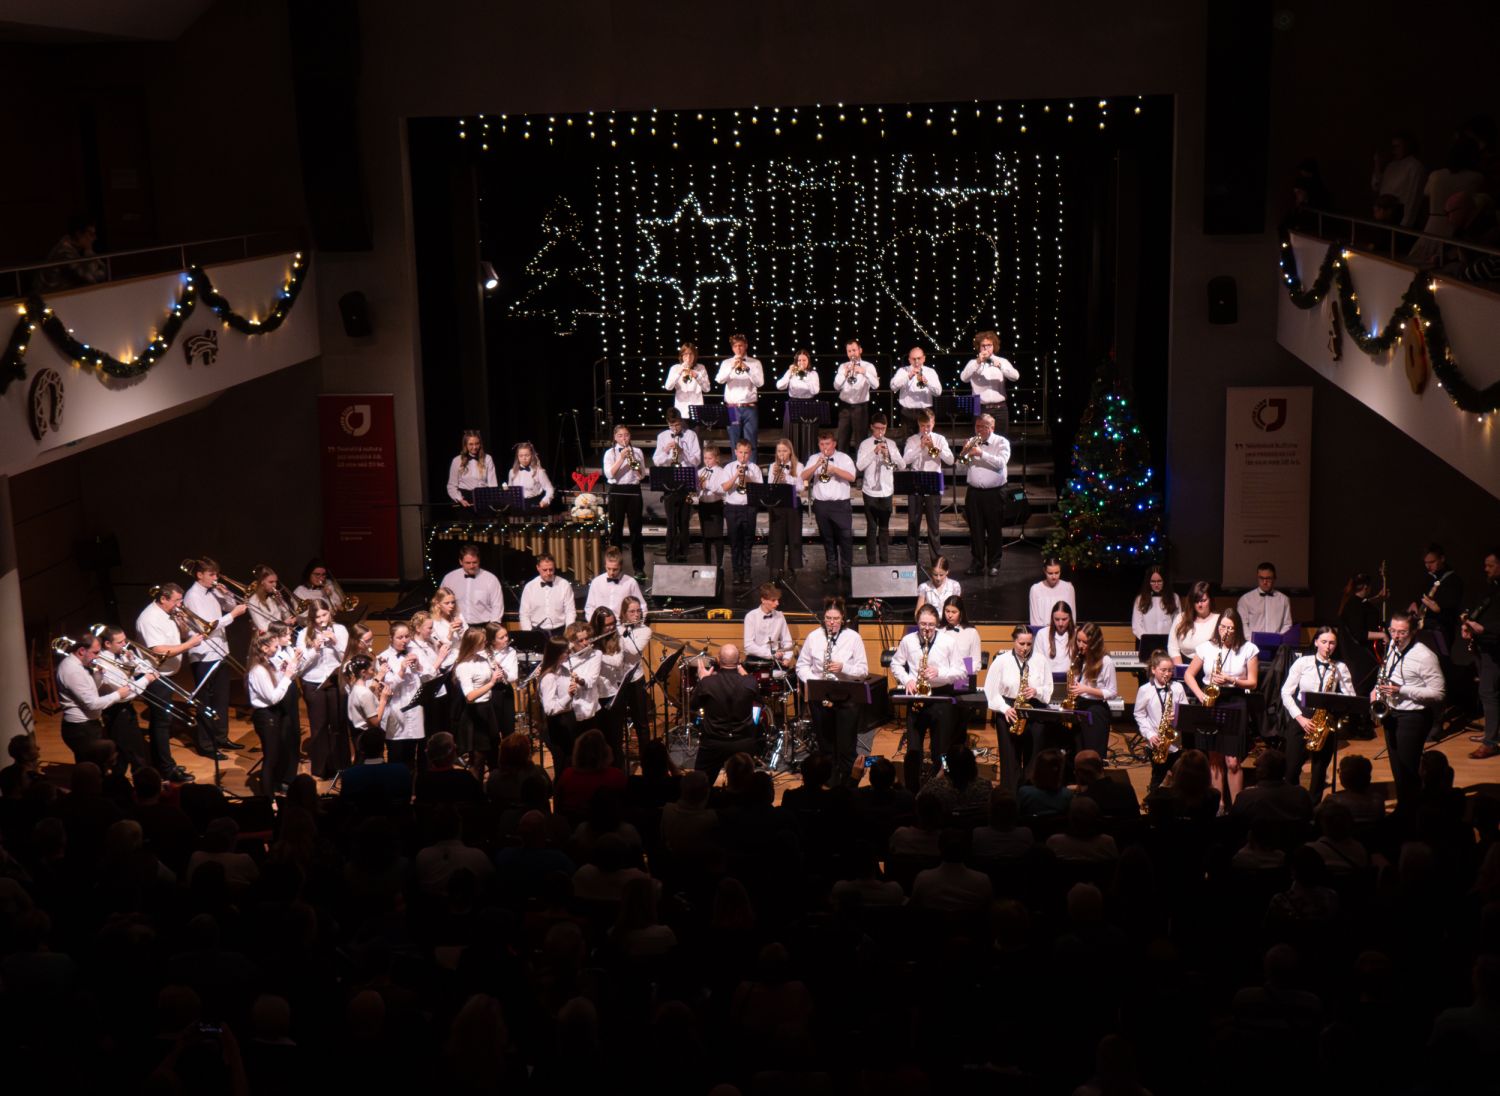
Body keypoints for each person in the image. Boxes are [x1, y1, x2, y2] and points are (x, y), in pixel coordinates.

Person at [1186, 606, 1260, 803]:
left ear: (1237, 629)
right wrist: (1201, 695)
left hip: (1235, 701)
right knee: (1215, 759)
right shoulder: (1206, 647)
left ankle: (1236, 806)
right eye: (1223, 627)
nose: (1225, 631)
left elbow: (1253, 682)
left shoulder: (1248, 649)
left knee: (1233, 761)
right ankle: (1218, 805)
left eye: (1230, 628)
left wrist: (1231, 679)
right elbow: (1188, 675)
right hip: (1211, 701)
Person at [1371, 612, 1445, 808]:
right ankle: (1404, 808)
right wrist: (1375, 691)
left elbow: (1439, 693)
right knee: (1397, 768)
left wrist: (1401, 690)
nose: (1396, 636)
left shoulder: (1425, 656)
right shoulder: (1392, 647)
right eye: (1393, 630)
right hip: (1391, 713)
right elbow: (1385, 673)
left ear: (1413, 632)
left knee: (1408, 771)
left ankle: (1412, 813)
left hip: (1413, 716)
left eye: (1402, 632)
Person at [890, 604, 966, 792]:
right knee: (913, 750)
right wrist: (907, 680)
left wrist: (939, 672)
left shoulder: (948, 642)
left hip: (941, 696)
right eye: (923, 624)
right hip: (917, 696)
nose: (927, 629)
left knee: (941, 749)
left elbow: (962, 671)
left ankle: (942, 787)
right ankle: (911, 790)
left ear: (937, 624)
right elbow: (896, 664)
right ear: (917, 622)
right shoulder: (908, 641)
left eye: (931, 625)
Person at [795, 599, 868, 787]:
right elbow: (802, 666)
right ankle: (828, 783)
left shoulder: (853, 638)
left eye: (836, 619)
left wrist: (844, 668)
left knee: (846, 747)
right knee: (825, 745)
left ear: (843, 618)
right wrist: (814, 681)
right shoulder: (814, 637)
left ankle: (848, 785)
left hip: (847, 698)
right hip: (821, 697)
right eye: (828, 618)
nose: (832, 623)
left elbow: (863, 670)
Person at [134, 583, 201, 783]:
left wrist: (182, 625)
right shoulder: (149, 618)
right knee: (162, 722)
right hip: (154, 676)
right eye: (177, 601)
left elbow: (178, 636)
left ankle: (160, 764)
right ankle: (166, 769)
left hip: (166, 674)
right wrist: (190, 644)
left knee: (161, 722)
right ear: (163, 599)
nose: (180, 604)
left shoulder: (168, 613)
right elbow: (159, 650)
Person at [182, 557, 249, 759]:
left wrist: (226, 594)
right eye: (211, 574)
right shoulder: (193, 596)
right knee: (205, 701)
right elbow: (206, 627)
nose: (215, 578)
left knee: (221, 698)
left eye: (216, 574)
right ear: (199, 575)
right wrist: (233, 615)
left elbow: (230, 606)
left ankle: (221, 737)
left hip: (220, 651)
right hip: (203, 654)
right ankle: (206, 745)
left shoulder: (212, 591)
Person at [1281, 625, 1354, 801]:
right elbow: (1286, 693)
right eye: (1324, 642)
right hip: (1302, 715)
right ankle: (1293, 803)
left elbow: (1351, 696)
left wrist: (1336, 700)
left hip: (1325, 717)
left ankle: (1314, 806)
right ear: (1316, 642)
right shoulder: (1302, 663)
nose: (1328, 647)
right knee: (1291, 769)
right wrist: (1300, 718)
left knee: (1320, 771)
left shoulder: (1340, 667)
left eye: (1332, 643)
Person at [984, 625, 1053, 790]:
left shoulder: (1040, 660)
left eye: (1029, 644)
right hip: (1009, 710)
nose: (1025, 648)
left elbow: (1048, 688)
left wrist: (1036, 691)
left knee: (1033, 758)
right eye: (1021, 643)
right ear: (1014, 641)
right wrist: (1004, 708)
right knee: (1010, 758)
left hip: (1033, 709)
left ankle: (1031, 793)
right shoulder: (1001, 661)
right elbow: (990, 690)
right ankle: (1011, 794)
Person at [55, 633, 131, 765]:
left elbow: (90, 692)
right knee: (92, 766)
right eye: (95, 653)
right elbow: (92, 704)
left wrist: (98, 675)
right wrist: (118, 694)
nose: (98, 657)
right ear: (81, 651)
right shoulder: (72, 671)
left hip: (86, 725)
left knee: (93, 765)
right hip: (81, 729)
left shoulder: (79, 665)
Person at [294, 600, 350, 780]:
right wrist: (314, 650)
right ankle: (321, 769)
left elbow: (347, 658)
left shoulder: (340, 630)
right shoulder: (304, 634)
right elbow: (299, 668)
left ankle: (342, 767)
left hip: (335, 681)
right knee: (318, 726)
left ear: (330, 613)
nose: (321, 620)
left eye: (324, 615)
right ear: (312, 618)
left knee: (338, 724)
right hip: (313, 683)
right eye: (317, 617)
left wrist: (336, 642)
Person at [691, 644, 761, 786]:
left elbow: (693, 705)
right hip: (742, 741)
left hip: (713, 742)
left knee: (700, 784)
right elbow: (760, 700)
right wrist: (742, 670)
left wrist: (702, 680)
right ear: (739, 660)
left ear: (717, 659)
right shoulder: (750, 682)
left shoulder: (707, 683)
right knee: (744, 786)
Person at [90, 625, 155, 776]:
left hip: (126, 709)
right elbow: (125, 691)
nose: (125, 645)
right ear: (108, 644)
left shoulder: (121, 654)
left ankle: (118, 783)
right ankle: (142, 783)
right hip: (115, 712)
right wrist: (146, 679)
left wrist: (133, 661)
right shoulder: (103, 662)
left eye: (124, 640)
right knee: (136, 754)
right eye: (120, 642)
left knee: (122, 756)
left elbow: (142, 670)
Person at [539, 623, 601, 776]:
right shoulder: (549, 677)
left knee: (574, 765)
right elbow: (550, 709)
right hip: (557, 725)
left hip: (568, 721)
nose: (569, 654)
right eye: (566, 652)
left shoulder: (563, 670)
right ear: (557, 654)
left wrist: (575, 683)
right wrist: (569, 695)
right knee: (563, 769)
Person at [453, 624, 514, 780]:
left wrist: (497, 672)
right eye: (482, 642)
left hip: (488, 709)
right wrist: (492, 683)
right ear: (473, 644)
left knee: (494, 754)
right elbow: (469, 696)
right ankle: (476, 791)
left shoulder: (482, 659)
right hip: (475, 713)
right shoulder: (463, 666)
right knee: (478, 760)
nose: (485, 643)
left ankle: (494, 788)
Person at [955, 412, 1011, 576]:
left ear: (991, 427)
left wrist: (981, 453)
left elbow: (1001, 463)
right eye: (977, 426)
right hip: (974, 493)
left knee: (994, 530)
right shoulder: (972, 441)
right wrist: (964, 453)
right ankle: (977, 562)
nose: (978, 430)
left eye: (982, 427)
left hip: (994, 493)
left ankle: (994, 564)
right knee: (976, 530)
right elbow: (960, 468)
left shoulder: (1001, 442)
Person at [246, 633, 300, 794]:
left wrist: (285, 673)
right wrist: (287, 677)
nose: (278, 650)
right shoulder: (258, 670)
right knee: (271, 758)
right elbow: (272, 697)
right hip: (265, 716)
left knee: (278, 755)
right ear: (264, 648)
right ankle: (268, 798)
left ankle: (275, 788)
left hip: (273, 714)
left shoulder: (267, 665)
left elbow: (276, 685)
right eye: (275, 647)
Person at [801, 429, 857, 584]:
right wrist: (816, 466)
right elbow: (803, 477)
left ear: (834, 444)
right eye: (821, 444)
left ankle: (847, 571)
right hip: (821, 505)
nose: (824, 447)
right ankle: (832, 570)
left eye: (827, 443)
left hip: (841, 505)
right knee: (827, 539)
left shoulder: (843, 458)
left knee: (845, 539)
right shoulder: (814, 458)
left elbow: (852, 477)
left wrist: (835, 469)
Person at [376, 622, 430, 769]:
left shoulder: (416, 652)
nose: (404, 640)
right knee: (396, 756)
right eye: (400, 637)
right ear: (391, 638)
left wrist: (418, 666)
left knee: (411, 756)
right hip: (396, 711)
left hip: (415, 710)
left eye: (407, 636)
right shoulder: (383, 658)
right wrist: (401, 671)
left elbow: (430, 677)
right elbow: (387, 688)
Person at [902, 409, 953, 562]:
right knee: (913, 524)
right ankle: (912, 561)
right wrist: (920, 447)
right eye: (923, 426)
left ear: (933, 423)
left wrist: (934, 448)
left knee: (934, 525)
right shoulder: (912, 440)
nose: (925, 429)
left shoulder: (940, 439)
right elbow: (905, 461)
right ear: (919, 424)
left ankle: (936, 562)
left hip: (933, 484)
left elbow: (950, 460)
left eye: (928, 426)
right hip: (915, 484)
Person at [652, 409, 701, 562]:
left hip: (686, 482)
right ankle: (670, 554)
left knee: (684, 521)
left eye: (678, 425)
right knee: (671, 522)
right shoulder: (662, 436)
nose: (675, 428)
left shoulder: (691, 435)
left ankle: (683, 554)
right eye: (672, 426)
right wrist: (666, 451)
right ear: (668, 423)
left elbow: (697, 460)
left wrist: (682, 451)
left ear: (682, 422)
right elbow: (656, 461)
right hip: (669, 482)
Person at [1464, 548, 1500, 760]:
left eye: (1490, 565)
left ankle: (1491, 742)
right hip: (1486, 648)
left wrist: (1484, 629)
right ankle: (1491, 734)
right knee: (1488, 692)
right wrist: (1468, 625)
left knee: (1488, 692)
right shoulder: (1492, 588)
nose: (1486, 569)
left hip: (1496, 649)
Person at [1134, 650, 1187, 792]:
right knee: (1158, 777)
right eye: (1163, 670)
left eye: (1170, 670)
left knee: (1178, 778)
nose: (1167, 674)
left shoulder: (1177, 687)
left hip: (1175, 742)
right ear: (1153, 669)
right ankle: (1152, 800)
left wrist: (1177, 716)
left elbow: (1186, 711)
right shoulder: (1145, 690)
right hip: (1155, 742)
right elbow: (1139, 714)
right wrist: (1149, 734)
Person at [854, 412, 904, 564]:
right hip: (870, 491)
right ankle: (871, 562)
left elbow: (902, 465)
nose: (880, 432)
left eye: (883, 428)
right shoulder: (865, 444)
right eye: (877, 428)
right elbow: (859, 466)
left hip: (886, 491)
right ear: (871, 427)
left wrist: (890, 453)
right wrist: (874, 452)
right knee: (871, 528)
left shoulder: (891, 444)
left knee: (884, 528)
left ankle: (884, 561)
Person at [1065, 622, 1119, 756]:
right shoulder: (1079, 658)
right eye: (1078, 641)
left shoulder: (1106, 661)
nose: (1080, 645)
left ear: (1095, 643)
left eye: (1085, 642)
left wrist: (1086, 689)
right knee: (1077, 751)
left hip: (1096, 711)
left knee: (1092, 753)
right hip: (1079, 706)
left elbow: (1112, 692)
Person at [602, 424, 647, 577]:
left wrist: (635, 465)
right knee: (616, 531)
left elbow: (642, 475)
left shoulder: (638, 452)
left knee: (636, 530)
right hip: (617, 490)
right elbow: (609, 474)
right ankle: (615, 567)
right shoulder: (610, 453)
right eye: (620, 435)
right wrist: (621, 458)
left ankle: (639, 568)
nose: (624, 438)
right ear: (615, 437)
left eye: (626, 435)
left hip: (633, 490)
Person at [718, 438, 762, 586]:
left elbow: (759, 490)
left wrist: (747, 478)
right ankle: (736, 572)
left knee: (748, 541)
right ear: (736, 452)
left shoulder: (755, 468)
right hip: (733, 508)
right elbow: (724, 487)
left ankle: (747, 571)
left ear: (750, 453)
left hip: (749, 508)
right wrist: (737, 475)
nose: (743, 456)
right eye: (741, 452)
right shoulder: (729, 467)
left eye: (746, 453)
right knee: (735, 542)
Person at [959, 330, 1020, 434]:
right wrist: (978, 362)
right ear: (979, 347)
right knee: (981, 439)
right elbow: (964, 378)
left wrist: (1000, 366)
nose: (986, 348)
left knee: (1001, 439)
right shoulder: (973, 363)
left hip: (1000, 408)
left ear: (994, 346)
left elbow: (1015, 377)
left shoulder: (1002, 361)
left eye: (989, 345)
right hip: (980, 407)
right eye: (983, 345)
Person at [1337, 570, 1387, 698]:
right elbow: (1360, 634)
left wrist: (1378, 598)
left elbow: (1364, 604)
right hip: (1361, 660)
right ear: (1366, 587)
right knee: (1365, 693)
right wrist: (1382, 635)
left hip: (1358, 657)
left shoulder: (1353, 602)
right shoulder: (1354, 605)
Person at [339, 728, 412, 813]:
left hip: (361, 819)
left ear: (361, 750)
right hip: (393, 819)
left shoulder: (349, 775)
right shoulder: (401, 771)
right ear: (383, 749)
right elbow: (406, 801)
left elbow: (346, 806)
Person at [556, 730, 626, 818]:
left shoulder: (567, 775)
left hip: (572, 824)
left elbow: (558, 807)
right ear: (605, 751)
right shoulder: (616, 776)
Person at [1409, 542, 1464, 651]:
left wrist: (1439, 609)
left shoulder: (1454, 580)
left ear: (1442, 559)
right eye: (1426, 563)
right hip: (1425, 627)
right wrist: (1415, 603)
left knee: (1439, 657)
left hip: (1442, 629)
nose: (1428, 566)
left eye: (1432, 562)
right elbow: (1419, 595)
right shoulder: (1428, 577)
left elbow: (1453, 608)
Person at [614, 596, 653, 750]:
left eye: (638, 611)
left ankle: (646, 757)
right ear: (624, 613)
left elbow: (632, 650)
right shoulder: (616, 628)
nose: (636, 614)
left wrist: (619, 634)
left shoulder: (645, 631)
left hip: (636, 679)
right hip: (617, 680)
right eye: (632, 612)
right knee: (617, 723)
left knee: (641, 723)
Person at [764, 438, 804, 582]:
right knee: (777, 538)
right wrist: (775, 477)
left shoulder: (799, 466)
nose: (781, 454)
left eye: (784, 451)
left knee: (794, 537)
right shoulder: (773, 466)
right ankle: (778, 568)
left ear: (790, 452)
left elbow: (801, 487)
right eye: (779, 451)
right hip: (778, 504)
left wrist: (786, 478)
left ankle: (793, 567)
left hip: (793, 504)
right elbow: (770, 486)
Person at [716, 333, 763, 452]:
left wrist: (747, 368)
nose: (738, 348)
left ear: (746, 346)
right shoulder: (726, 363)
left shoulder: (755, 363)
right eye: (735, 346)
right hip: (732, 408)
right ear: (732, 348)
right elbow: (719, 380)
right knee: (734, 443)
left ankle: (751, 464)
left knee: (751, 444)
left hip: (750, 407)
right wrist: (731, 367)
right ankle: (735, 464)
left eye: (741, 345)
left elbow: (760, 383)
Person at [441, 544, 504, 630]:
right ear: (460, 561)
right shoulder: (449, 578)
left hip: (483, 628)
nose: (471, 566)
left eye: (475, 562)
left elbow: (497, 606)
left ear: (479, 561)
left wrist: (492, 629)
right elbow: (441, 603)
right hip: (457, 627)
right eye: (468, 563)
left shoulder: (491, 579)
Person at [1371, 131, 1425, 229]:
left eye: (1398, 146)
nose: (1394, 150)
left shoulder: (1414, 166)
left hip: (1398, 217)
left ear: (1407, 146)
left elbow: (1413, 196)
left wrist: (1406, 223)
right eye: (1393, 147)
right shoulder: (1391, 166)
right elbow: (1377, 187)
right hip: (1383, 216)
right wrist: (1377, 164)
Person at [832, 338, 878, 455]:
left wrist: (864, 372)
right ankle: (842, 464)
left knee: (861, 440)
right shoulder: (843, 366)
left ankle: (861, 466)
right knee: (842, 440)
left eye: (854, 350)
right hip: (844, 407)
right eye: (849, 351)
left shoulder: (868, 366)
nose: (852, 353)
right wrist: (844, 374)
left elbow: (876, 385)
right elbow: (836, 386)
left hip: (860, 407)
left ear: (860, 350)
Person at [38, 213, 106, 290]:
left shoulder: (77, 248)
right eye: (91, 234)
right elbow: (92, 279)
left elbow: (103, 272)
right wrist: (89, 253)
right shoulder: (64, 253)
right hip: (51, 295)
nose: (95, 238)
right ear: (79, 234)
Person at [775, 349, 822, 460]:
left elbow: (815, 391)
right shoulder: (791, 372)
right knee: (793, 435)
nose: (801, 363)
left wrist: (804, 377)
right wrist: (789, 373)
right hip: (793, 404)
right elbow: (779, 386)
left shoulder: (813, 374)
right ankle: (792, 461)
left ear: (808, 361)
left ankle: (808, 461)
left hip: (808, 404)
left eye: (804, 360)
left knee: (808, 436)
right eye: (799, 360)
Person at [519, 554, 576, 637]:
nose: (548, 573)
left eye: (551, 569)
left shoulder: (564, 585)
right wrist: (529, 634)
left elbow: (570, 611)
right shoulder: (529, 587)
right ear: (538, 568)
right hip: (537, 632)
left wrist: (569, 632)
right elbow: (524, 614)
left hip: (560, 631)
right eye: (545, 570)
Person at [891, 344, 941, 439]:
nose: (916, 361)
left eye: (919, 358)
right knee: (907, 441)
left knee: (925, 440)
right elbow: (893, 387)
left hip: (926, 412)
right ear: (909, 360)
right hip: (907, 413)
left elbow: (938, 392)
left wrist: (927, 382)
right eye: (914, 359)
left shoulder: (930, 372)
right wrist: (908, 376)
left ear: (924, 358)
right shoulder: (903, 371)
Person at [743, 583, 795, 668]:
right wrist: (770, 654)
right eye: (773, 600)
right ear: (763, 600)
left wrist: (787, 658)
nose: (777, 603)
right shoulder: (751, 616)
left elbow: (787, 641)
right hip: (755, 659)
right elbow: (749, 646)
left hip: (775, 660)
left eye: (777, 600)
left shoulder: (780, 616)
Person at [584, 547, 644, 620]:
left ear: (620, 567)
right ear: (605, 565)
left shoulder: (630, 582)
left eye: (615, 569)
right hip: (601, 624)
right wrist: (593, 622)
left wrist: (637, 623)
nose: (611, 572)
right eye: (608, 568)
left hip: (622, 624)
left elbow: (642, 606)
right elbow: (589, 607)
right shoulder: (596, 582)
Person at [1236, 561, 1292, 638]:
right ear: (1257, 577)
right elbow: (1242, 624)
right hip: (1252, 642)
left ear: (1274, 578)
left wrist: (1278, 638)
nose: (1265, 582)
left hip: (1276, 642)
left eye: (1268, 578)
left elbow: (1287, 624)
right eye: (1261, 578)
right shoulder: (1245, 599)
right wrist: (1252, 639)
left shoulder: (1284, 600)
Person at [1169, 580, 1219, 665]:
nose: (1200, 604)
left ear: (1210, 600)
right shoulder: (1181, 618)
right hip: (1183, 664)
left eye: (1203, 600)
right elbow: (1173, 647)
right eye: (1196, 601)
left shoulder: (1218, 620)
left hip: (1208, 666)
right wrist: (1181, 668)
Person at [446, 429, 498, 507]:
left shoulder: (487, 458)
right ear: (465, 445)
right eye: (471, 444)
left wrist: (491, 499)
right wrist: (460, 499)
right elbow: (451, 485)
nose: (474, 447)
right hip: (464, 500)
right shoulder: (457, 460)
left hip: (483, 498)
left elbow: (493, 484)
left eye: (477, 443)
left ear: (480, 444)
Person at [695, 445, 727, 568]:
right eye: (705, 458)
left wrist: (707, 484)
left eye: (710, 458)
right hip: (703, 505)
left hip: (716, 506)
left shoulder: (721, 472)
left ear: (717, 458)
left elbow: (722, 490)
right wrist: (697, 488)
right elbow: (697, 491)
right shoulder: (700, 472)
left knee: (718, 537)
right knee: (705, 537)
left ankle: (719, 564)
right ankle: (707, 563)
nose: (707, 461)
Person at [663, 342, 711, 419]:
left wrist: (697, 376)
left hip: (697, 409)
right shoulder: (675, 368)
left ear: (695, 355)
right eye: (685, 354)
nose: (688, 357)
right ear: (681, 355)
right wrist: (680, 371)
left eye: (691, 354)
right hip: (681, 410)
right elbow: (668, 387)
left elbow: (707, 389)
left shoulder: (701, 368)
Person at [1028, 557, 1078, 629]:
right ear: (1044, 571)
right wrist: (1044, 633)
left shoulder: (1068, 588)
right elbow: (1035, 621)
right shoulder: (1035, 589)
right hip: (1042, 632)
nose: (1054, 577)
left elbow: (1072, 617)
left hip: (1064, 632)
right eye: (1050, 573)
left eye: (1057, 573)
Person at [504, 441, 555, 509]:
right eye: (521, 456)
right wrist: (506, 491)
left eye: (527, 455)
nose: (524, 458)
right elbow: (510, 490)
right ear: (517, 456)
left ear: (532, 455)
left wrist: (545, 500)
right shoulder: (512, 472)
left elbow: (550, 489)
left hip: (534, 504)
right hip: (517, 506)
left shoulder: (539, 471)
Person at [1131, 566, 1178, 639]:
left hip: (1168, 641)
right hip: (1147, 641)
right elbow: (1136, 625)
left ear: (1164, 581)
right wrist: (1147, 639)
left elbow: (1177, 622)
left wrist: (1171, 638)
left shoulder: (1174, 598)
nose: (1156, 584)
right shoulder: (1140, 599)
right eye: (1153, 581)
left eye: (1159, 581)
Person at [941, 596, 981, 678]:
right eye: (947, 611)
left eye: (954, 612)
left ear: (961, 613)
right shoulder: (938, 631)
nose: (949, 615)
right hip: (941, 677)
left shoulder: (971, 632)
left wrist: (965, 673)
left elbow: (974, 661)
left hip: (962, 678)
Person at [1038, 601, 1077, 677]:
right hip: (1048, 679)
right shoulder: (1042, 634)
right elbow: (1038, 663)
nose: (1060, 624)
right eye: (1057, 619)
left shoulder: (1077, 634)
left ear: (1070, 618)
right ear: (1052, 618)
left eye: (1064, 619)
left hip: (1071, 679)